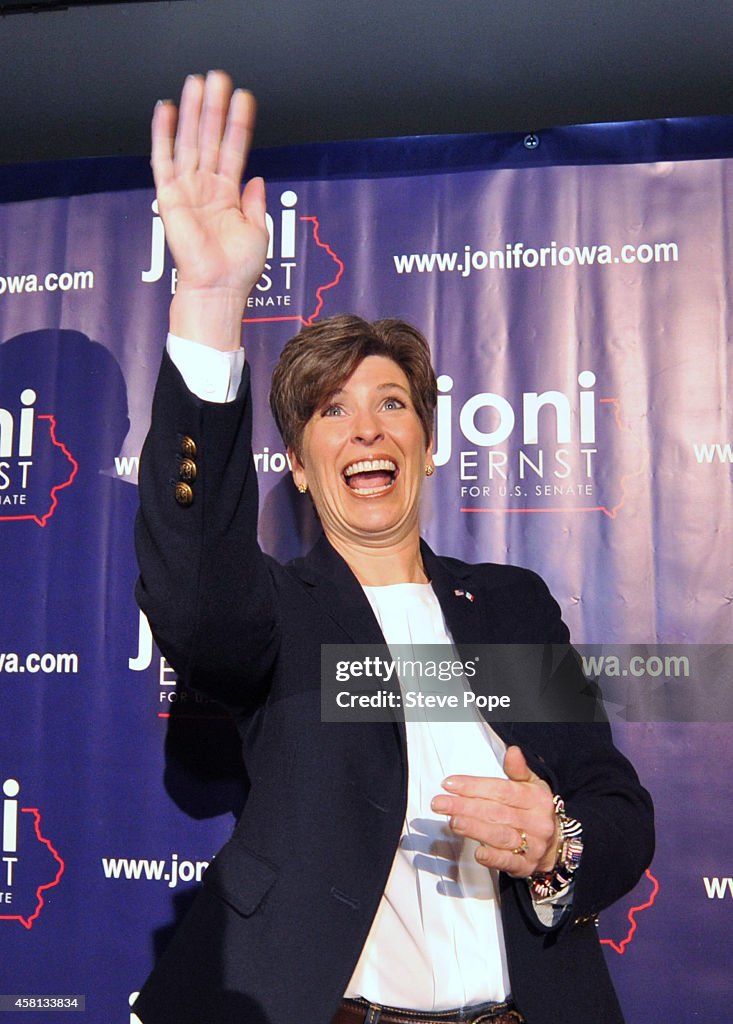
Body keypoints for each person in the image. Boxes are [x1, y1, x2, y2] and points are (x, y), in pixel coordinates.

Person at [133, 71, 654, 1024]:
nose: (366, 431)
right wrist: (208, 304)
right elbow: (195, 589)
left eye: (390, 406)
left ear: (425, 440)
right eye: (332, 412)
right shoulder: (278, 611)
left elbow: (614, 805)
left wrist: (556, 845)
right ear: (297, 463)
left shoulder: (508, 605)